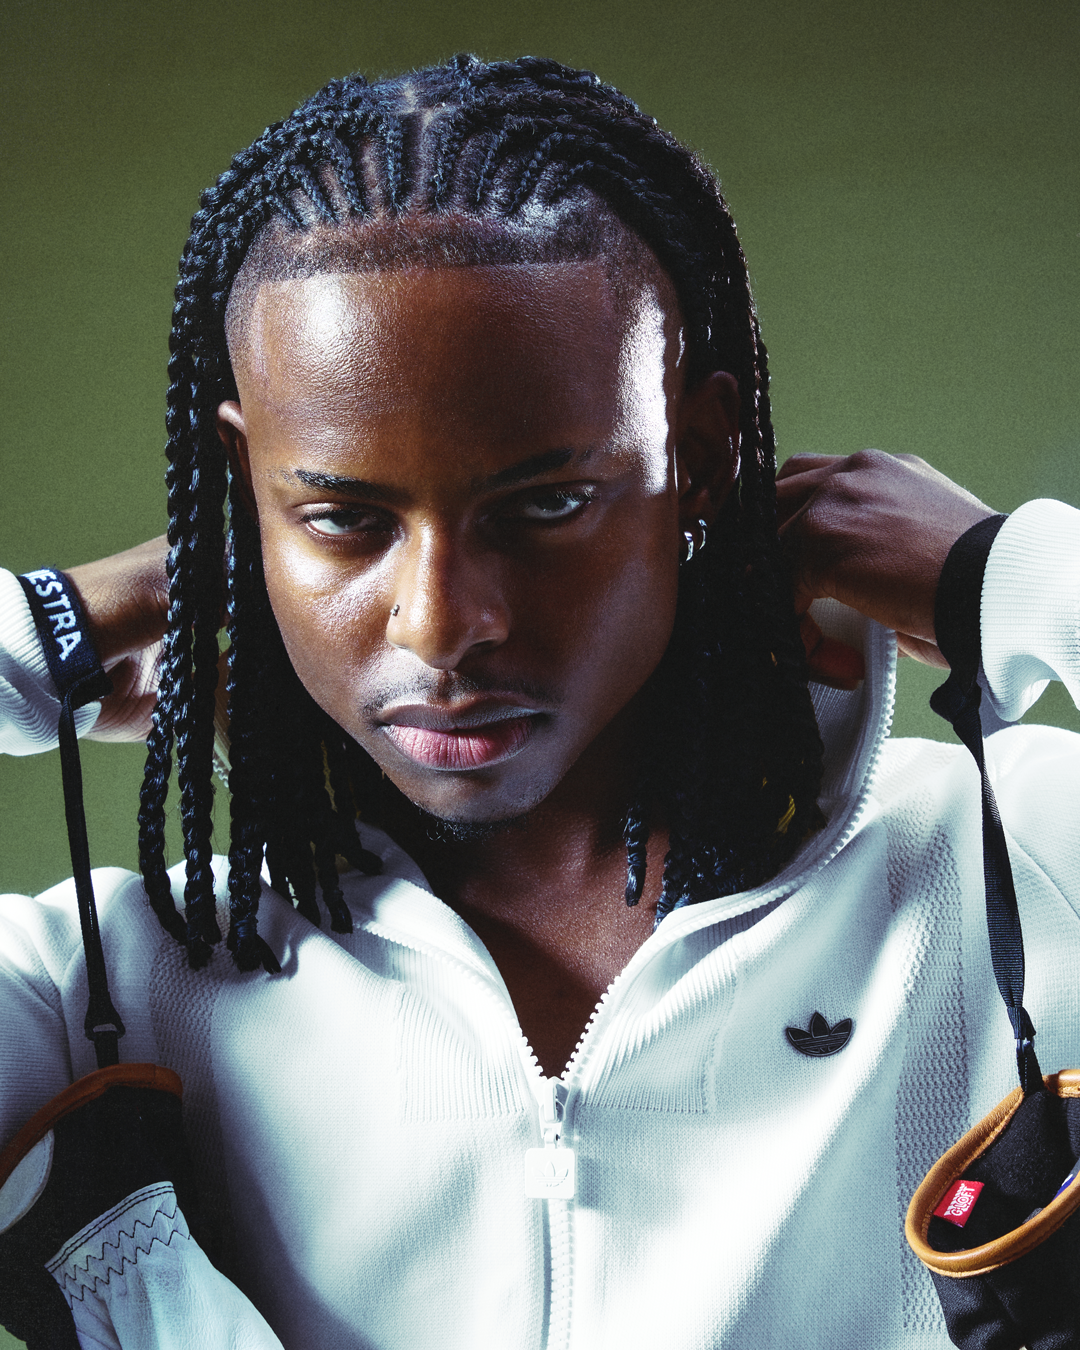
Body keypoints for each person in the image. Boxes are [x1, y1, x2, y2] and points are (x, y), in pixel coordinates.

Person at [2, 53, 1079, 1349]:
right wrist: (42, 633)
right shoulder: (122, 978)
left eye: (546, 505)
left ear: (701, 455)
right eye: (343, 518)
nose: (446, 622)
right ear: (245, 492)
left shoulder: (1008, 858)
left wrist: (1009, 579)